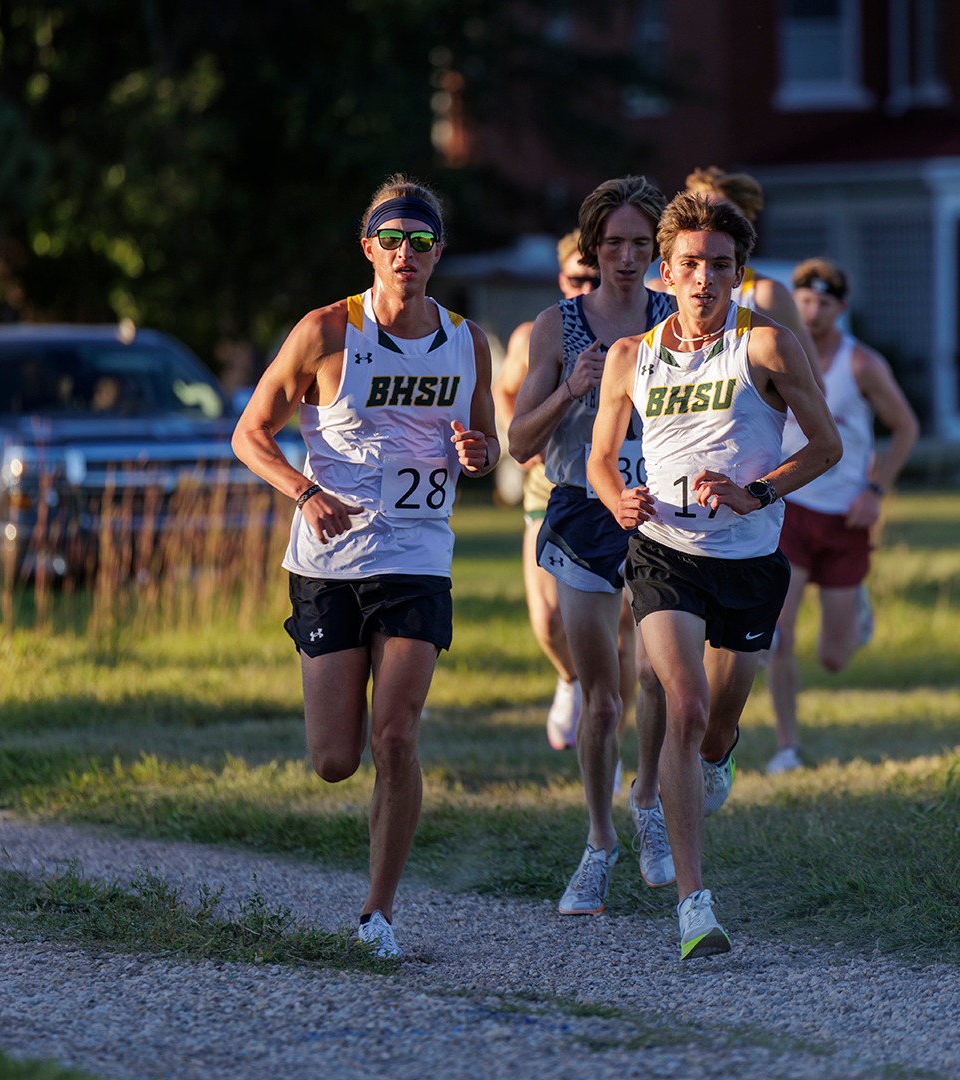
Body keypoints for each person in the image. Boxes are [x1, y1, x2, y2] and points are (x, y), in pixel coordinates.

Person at [231, 176, 497, 960]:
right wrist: (304, 490)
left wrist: (475, 455)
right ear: (368, 247)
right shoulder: (324, 333)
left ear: (438, 252)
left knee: (397, 733)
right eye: (391, 238)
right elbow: (250, 434)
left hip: (418, 554)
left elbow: (480, 444)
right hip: (329, 562)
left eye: (421, 241)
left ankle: (377, 914)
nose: (405, 253)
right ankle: (371, 885)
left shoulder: (466, 341)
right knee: (335, 759)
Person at [589, 190, 839, 958]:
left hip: (750, 558)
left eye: (721, 266)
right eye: (691, 265)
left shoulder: (766, 346)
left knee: (719, 721)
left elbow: (825, 446)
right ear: (664, 273)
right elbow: (602, 455)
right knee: (684, 702)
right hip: (664, 552)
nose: (705, 280)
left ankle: (716, 758)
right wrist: (618, 499)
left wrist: (756, 492)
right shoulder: (631, 357)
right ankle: (695, 901)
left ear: (739, 273)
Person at [508, 177, 679, 915]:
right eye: (614, 244)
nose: (628, 258)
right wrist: (570, 389)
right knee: (601, 700)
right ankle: (599, 840)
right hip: (581, 508)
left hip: (661, 512)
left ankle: (647, 800)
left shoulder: (678, 319)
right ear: (592, 247)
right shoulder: (558, 325)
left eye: (642, 245)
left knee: (659, 677)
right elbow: (517, 442)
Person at [765, 258, 919, 774]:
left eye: (823, 303)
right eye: (804, 300)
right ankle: (787, 745)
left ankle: (856, 610)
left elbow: (906, 428)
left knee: (834, 657)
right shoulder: (774, 352)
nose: (811, 311)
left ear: (841, 309)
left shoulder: (861, 365)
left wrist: (875, 490)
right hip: (792, 507)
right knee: (777, 633)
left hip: (846, 516)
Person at [495, 233, 598, 750]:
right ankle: (568, 679)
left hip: (615, 488)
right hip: (547, 485)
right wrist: (527, 429)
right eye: (578, 279)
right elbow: (507, 390)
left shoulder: (638, 327)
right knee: (548, 617)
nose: (587, 287)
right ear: (562, 280)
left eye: (596, 279)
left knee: (620, 632)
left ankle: (612, 745)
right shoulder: (537, 333)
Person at [647, 167, 815, 352]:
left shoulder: (766, 294)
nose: (707, 228)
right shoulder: (657, 291)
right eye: (698, 216)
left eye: (722, 220)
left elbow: (809, 374)